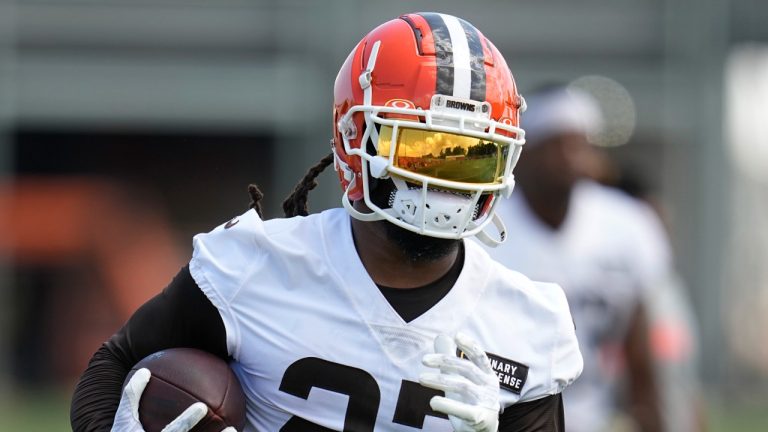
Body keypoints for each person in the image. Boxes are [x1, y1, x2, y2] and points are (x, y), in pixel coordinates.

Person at [70, 13, 583, 432]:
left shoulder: (527, 323)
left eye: (472, 156)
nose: (446, 183)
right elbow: (113, 367)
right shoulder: (251, 267)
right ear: (354, 140)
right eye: (425, 150)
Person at [482, 84, 673, 432]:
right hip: (505, 414)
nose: (571, 157)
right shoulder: (487, 227)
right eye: (556, 144)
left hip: (593, 415)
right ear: (526, 153)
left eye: (578, 143)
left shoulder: (626, 225)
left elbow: (640, 351)